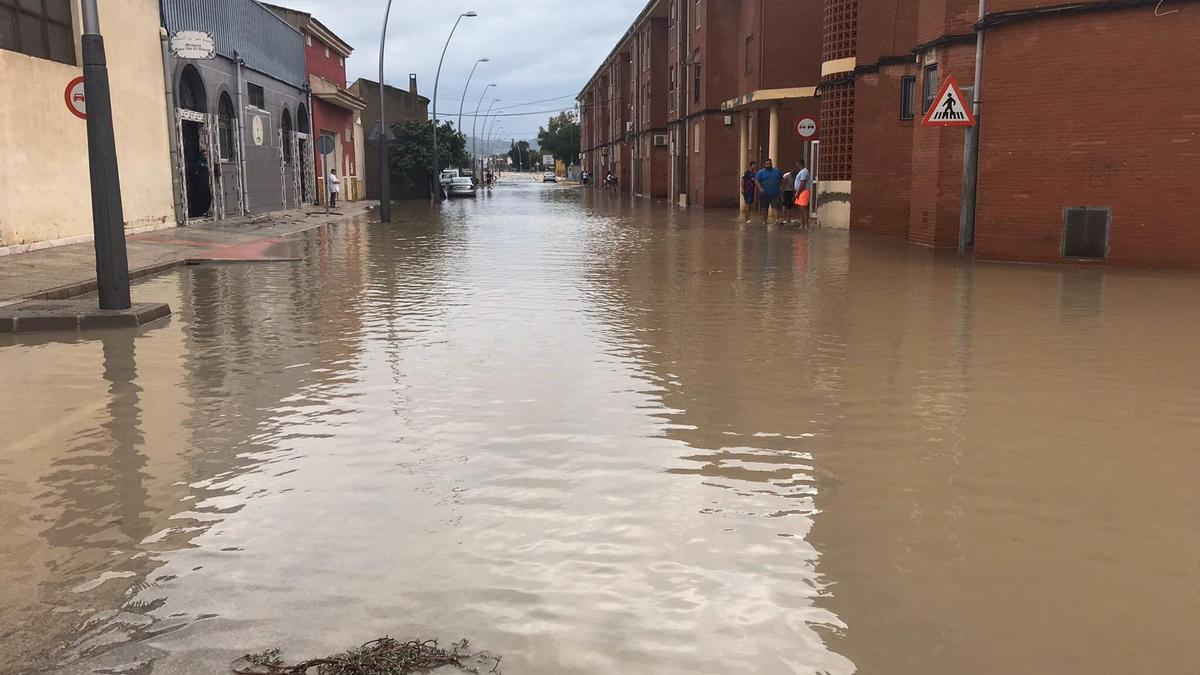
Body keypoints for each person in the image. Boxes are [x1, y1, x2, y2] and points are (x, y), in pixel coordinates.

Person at [754, 158, 784, 225]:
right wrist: (760, 188)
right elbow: (756, 180)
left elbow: (781, 179)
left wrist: (781, 188)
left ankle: (776, 220)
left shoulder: (776, 171)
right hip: (764, 193)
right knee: (764, 208)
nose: (769, 165)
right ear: (764, 165)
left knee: (775, 207)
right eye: (767, 164)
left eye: (770, 164)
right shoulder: (761, 172)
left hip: (775, 193)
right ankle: (765, 221)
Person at [794, 159, 811, 229]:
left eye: (796, 163)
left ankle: (806, 224)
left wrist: (798, 193)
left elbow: (803, 183)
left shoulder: (804, 171)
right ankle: (802, 224)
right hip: (800, 192)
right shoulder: (801, 172)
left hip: (803, 191)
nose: (796, 164)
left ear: (798, 163)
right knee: (800, 208)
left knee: (804, 208)